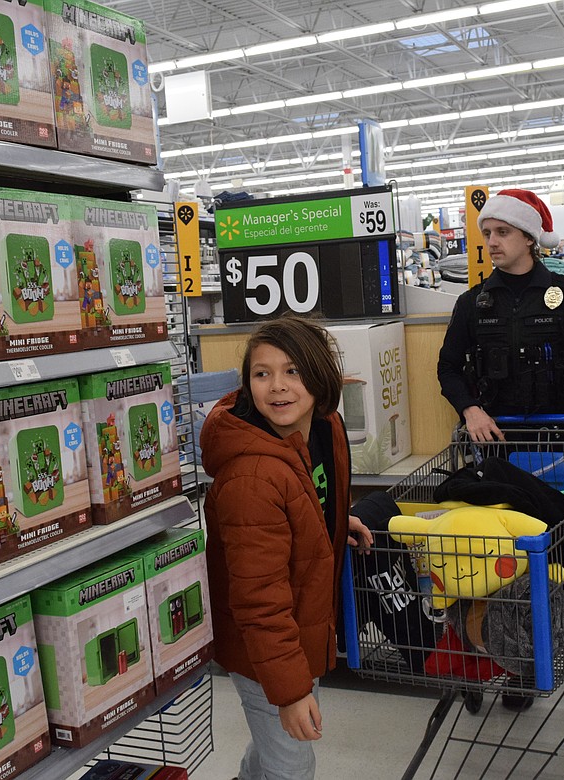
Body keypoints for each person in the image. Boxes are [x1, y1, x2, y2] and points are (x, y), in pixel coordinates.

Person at [200, 314, 373, 780]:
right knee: (291, 765)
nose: (277, 387)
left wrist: (334, 523)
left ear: (319, 376)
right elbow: (259, 602)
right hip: (267, 648)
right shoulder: (251, 479)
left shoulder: (321, 426)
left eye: (292, 371)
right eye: (262, 374)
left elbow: (307, 500)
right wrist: (292, 692)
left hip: (300, 627)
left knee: (272, 752)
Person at [436, 188, 564, 443]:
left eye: (503, 232)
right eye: (487, 233)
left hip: (563, 435)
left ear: (529, 238)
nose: (492, 241)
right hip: (497, 439)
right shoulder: (471, 303)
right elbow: (448, 368)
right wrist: (470, 410)